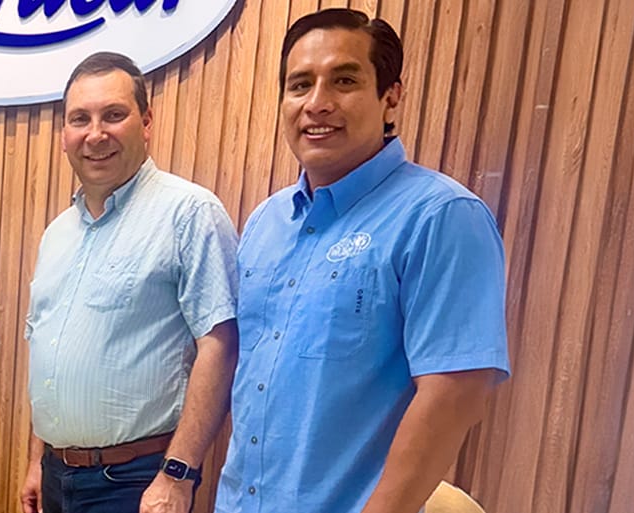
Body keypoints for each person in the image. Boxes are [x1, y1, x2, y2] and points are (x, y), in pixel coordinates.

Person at [215, 9, 510, 512]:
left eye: (344, 80)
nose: (317, 104)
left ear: (391, 95)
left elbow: (456, 393)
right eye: (299, 85)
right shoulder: (267, 222)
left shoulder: (440, 216)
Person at [20, 51, 241, 513]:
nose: (95, 134)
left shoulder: (189, 214)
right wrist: (37, 459)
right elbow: (51, 355)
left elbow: (220, 347)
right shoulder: (56, 234)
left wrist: (178, 475)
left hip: (138, 481)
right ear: (64, 135)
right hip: (58, 476)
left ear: (146, 121)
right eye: (80, 119)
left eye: (113, 115)